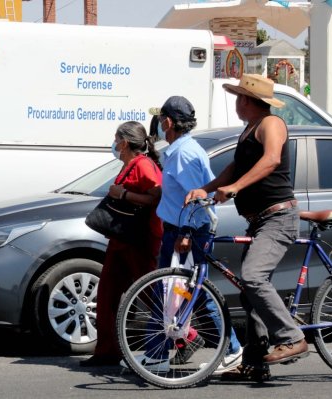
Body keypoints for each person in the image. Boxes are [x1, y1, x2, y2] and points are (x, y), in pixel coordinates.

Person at [186, 74, 308, 382]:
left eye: (239, 97)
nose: (236, 102)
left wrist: (236, 187)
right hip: (260, 220)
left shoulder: (272, 124)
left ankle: (293, 338)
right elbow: (233, 168)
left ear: (248, 100)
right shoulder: (249, 130)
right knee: (250, 291)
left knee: (253, 276)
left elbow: (270, 160)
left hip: (278, 218)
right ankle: (255, 362)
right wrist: (208, 188)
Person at [133, 97, 242, 373]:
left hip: (186, 233)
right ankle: (156, 353)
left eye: (161, 120)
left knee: (195, 294)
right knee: (168, 292)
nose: (158, 125)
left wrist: (185, 233)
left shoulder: (184, 154)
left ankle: (233, 350)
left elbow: (197, 198)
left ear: (168, 122)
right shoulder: (180, 150)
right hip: (180, 231)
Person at [80, 121, 163, 367]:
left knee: (148, 293)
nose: (114, 144)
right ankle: (107, 351)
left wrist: (123, 194)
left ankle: (185, 336)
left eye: (116, 139)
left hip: (137, 240)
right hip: (122, 239)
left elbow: (156, 195)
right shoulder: (131, 164)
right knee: (107, 294)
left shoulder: (143, 165)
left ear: (124, 143)